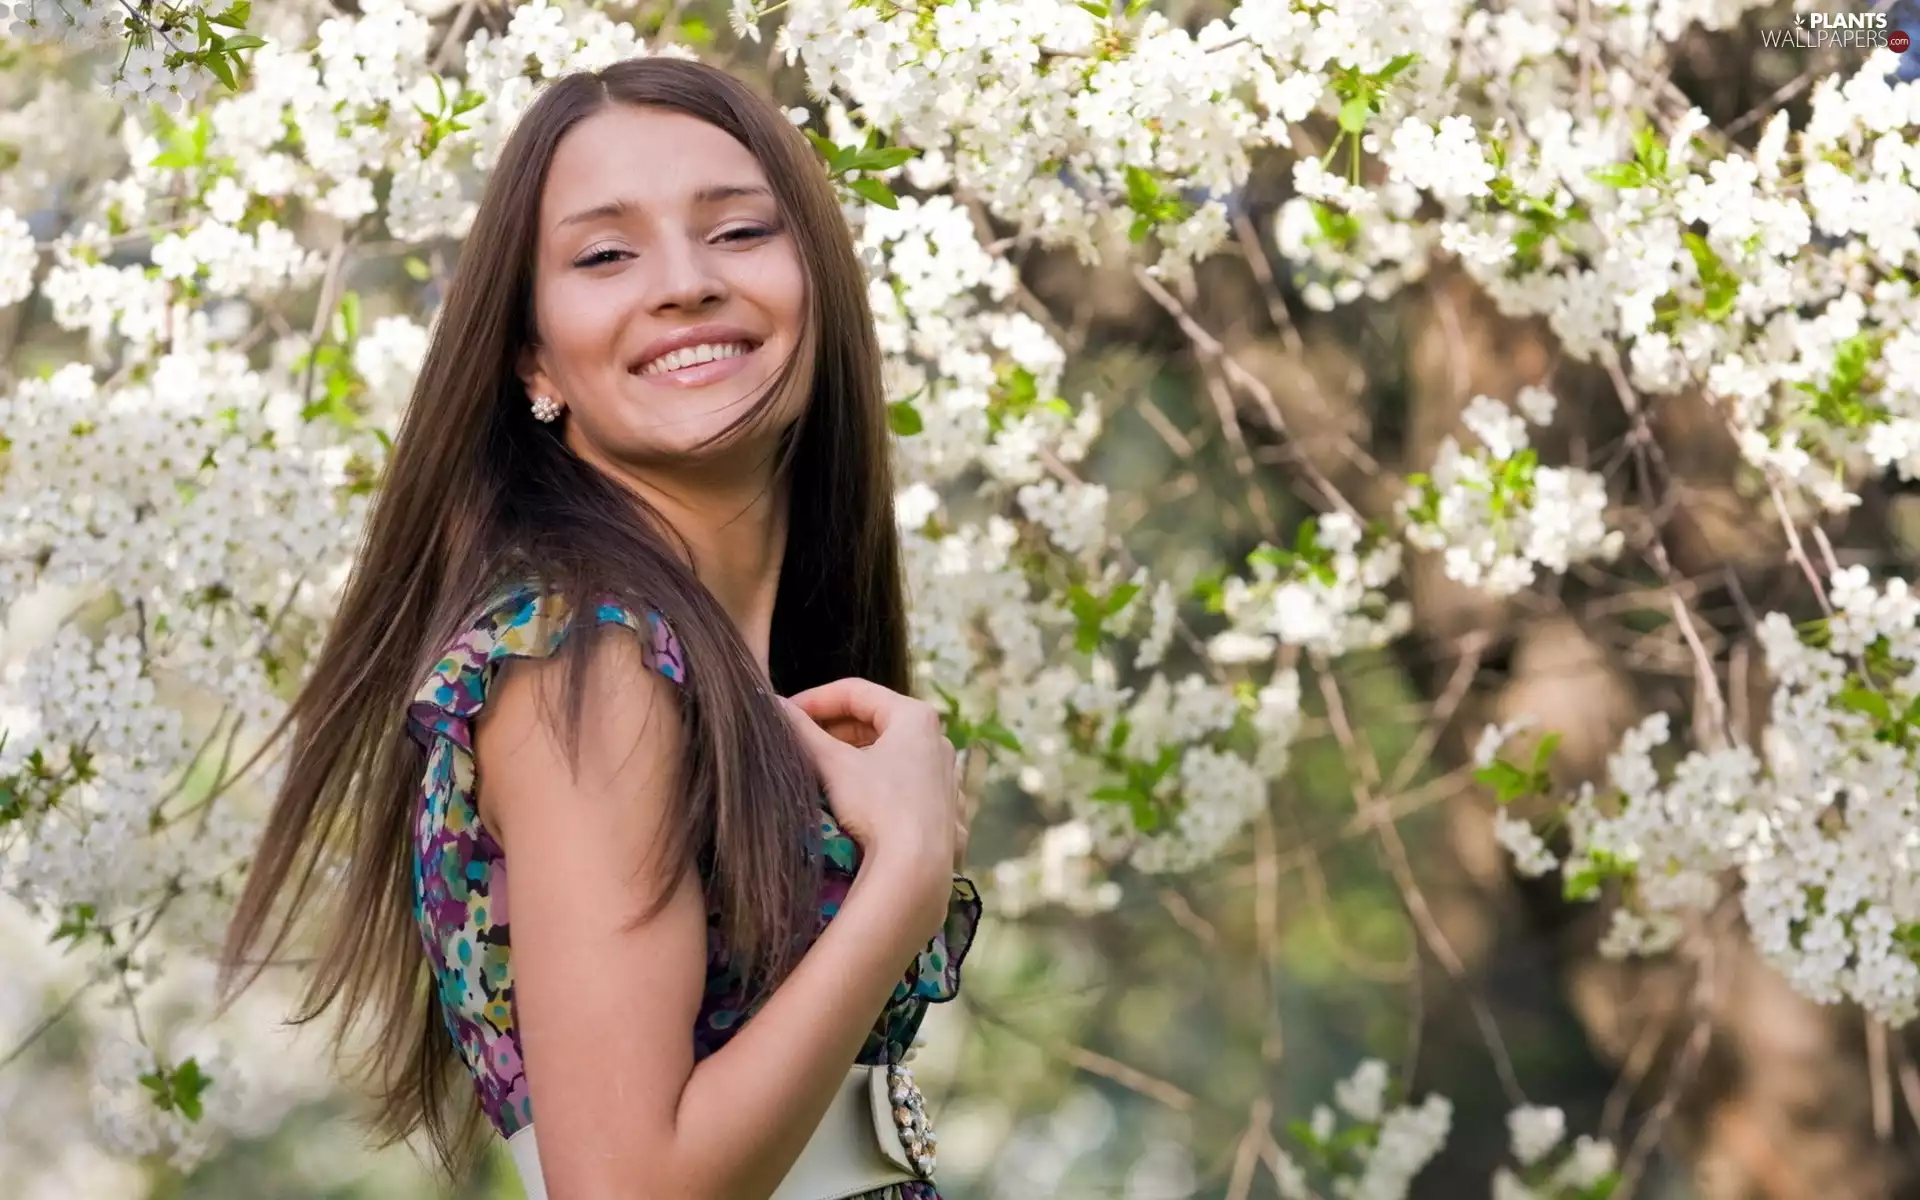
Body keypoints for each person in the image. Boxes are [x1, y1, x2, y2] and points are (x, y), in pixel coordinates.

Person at [218, 55, 981, 1200]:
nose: (683, 284)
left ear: (816, 280)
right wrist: (908, 871)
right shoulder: (587, 662)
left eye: (737, 233)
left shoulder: (695, 661)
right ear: (532, 357)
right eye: (606, 254)